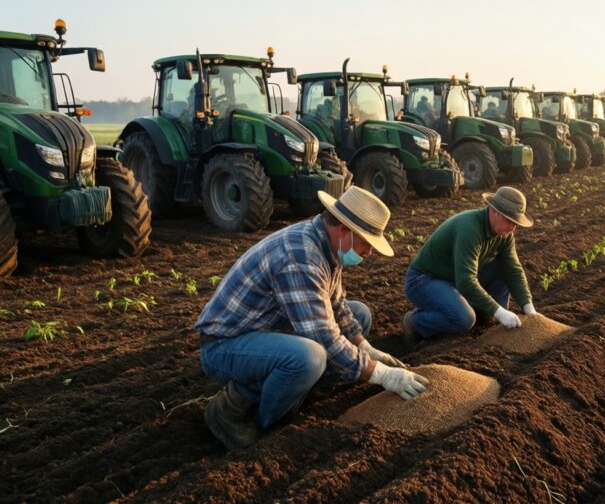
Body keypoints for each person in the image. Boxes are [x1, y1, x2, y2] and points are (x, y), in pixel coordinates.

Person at [195, 187, 429, 450]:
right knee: (309, 357)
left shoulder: (327, 246)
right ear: (343, 229)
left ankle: (300, 388)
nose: (369, 253)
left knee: (359, 314)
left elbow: (337, 305)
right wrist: (384, 375)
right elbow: (324, 337)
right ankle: (250, 417)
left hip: (271, 327)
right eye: (366, 242)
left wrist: (365, 347)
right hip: (225, 345)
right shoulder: (301, 257)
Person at [403, 186, 539, 342]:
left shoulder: (504, 233)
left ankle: (482, 314)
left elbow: (513, 270)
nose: (513, 228)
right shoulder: (469, 228)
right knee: (464, 319)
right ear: (494, 211)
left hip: (454, 277)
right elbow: (466, 280)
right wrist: (499, 312)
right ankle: (414, 322)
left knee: (503, 269)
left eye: (516, 223)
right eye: (510, 220)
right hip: (425, 279)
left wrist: (529, 309)